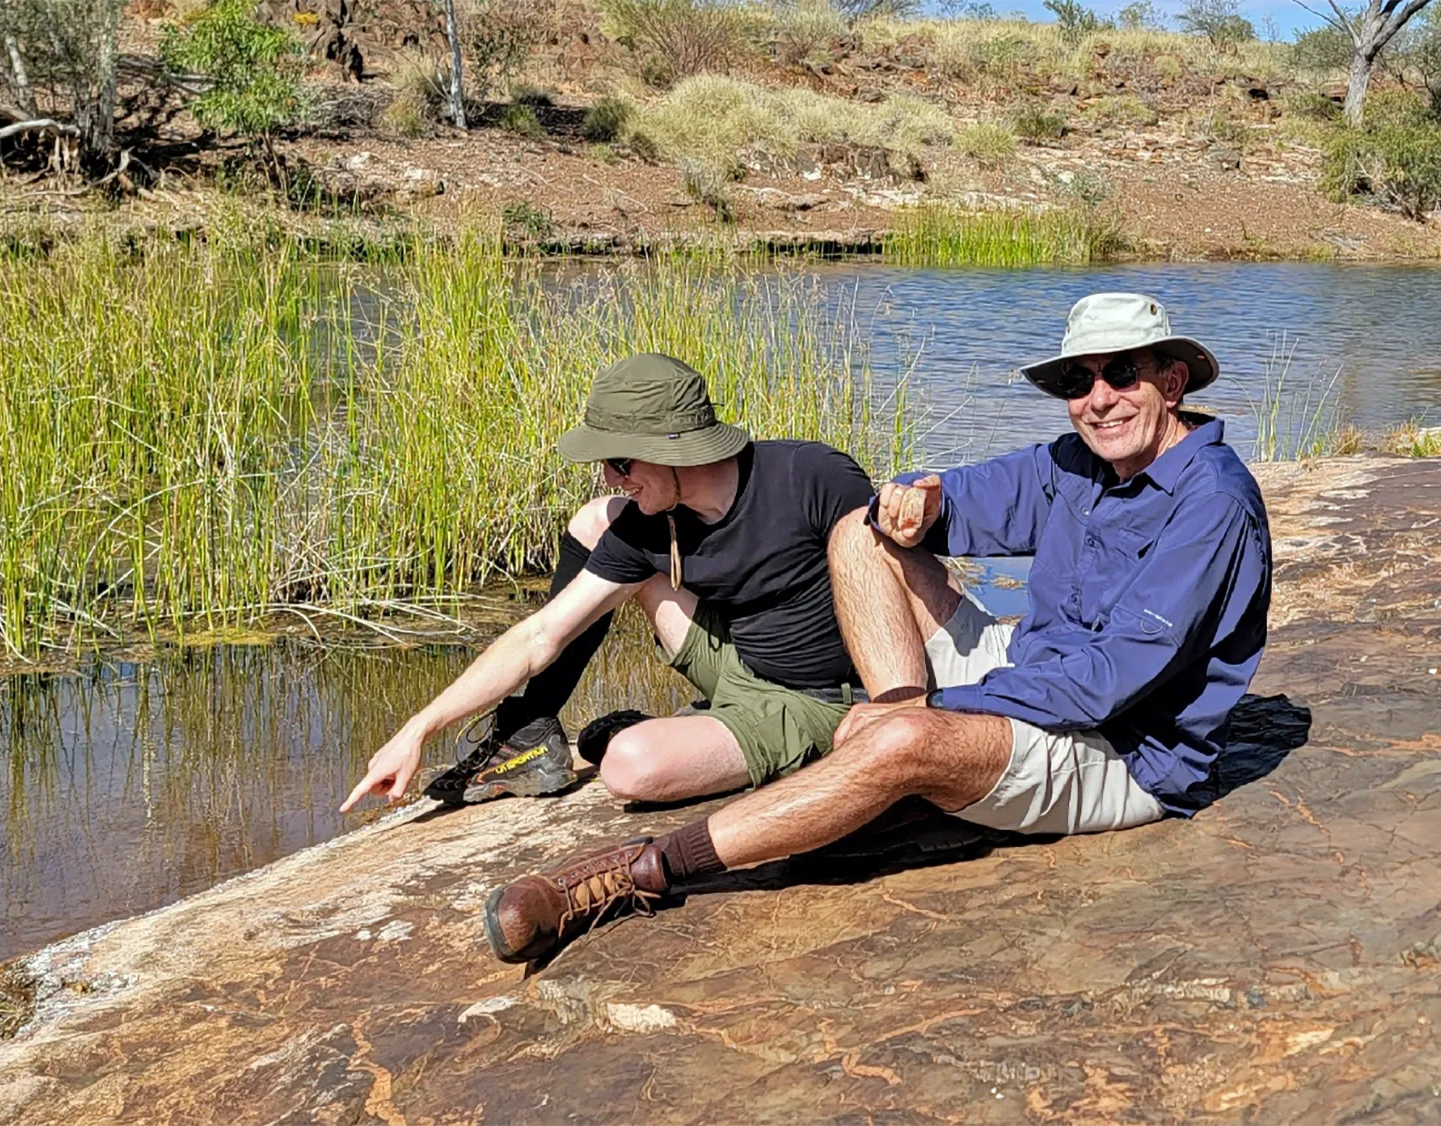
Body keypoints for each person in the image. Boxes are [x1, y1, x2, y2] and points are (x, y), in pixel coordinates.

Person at [482, 292, 1274, 965]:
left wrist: (927, 719)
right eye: (1077, 378)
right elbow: (961, 498)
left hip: (1125, 749)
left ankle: (634, 874)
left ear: (1170, 382)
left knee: (901, 741)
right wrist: (922, 504)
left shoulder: (1211, 504)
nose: (1098, 397)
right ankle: (900, 752)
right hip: (1038, 670)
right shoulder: (1078, 462)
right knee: (858, 534)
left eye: (1121, 373)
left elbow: (1107, 684)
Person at [340, 352, 873, 814]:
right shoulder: (650, 523)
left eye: (620, 461)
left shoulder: (812, 478)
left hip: (819, 701)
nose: (611, 478)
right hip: (738, 666)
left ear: (675, 447)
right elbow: (538, 637)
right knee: (600, 522)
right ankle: (531, 727)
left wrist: (904, 712)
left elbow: (899, 585)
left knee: (628, 764)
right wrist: (417, 729)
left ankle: (709, 735)